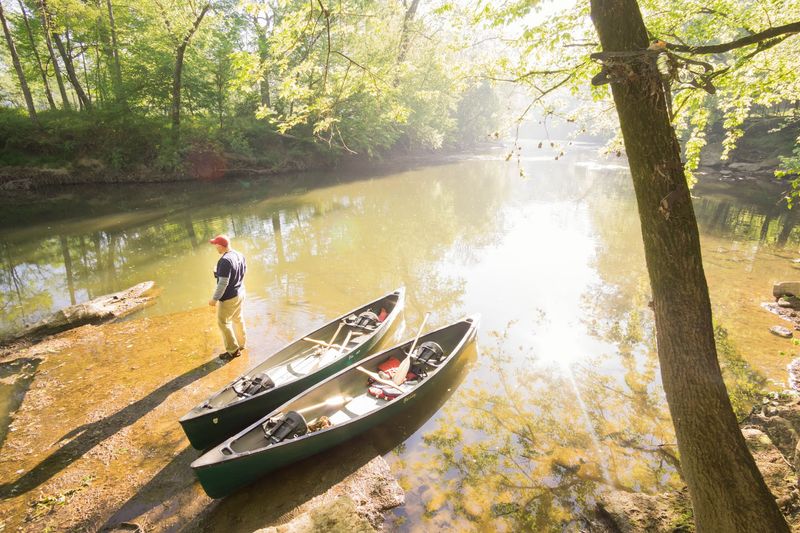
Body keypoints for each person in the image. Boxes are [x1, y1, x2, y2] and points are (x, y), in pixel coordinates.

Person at [208, 234, 247, 361]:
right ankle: (242, 344)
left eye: (216, 245)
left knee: (223, 322)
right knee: (237, 318)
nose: (215, 247)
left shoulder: (224, 261)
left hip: (229, 297)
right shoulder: (239, 254)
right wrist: (218, 273)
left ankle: (233, 350)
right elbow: (242, 271)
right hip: (240, 292)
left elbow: (223, 283)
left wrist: (214, 299)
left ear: (220, 245)